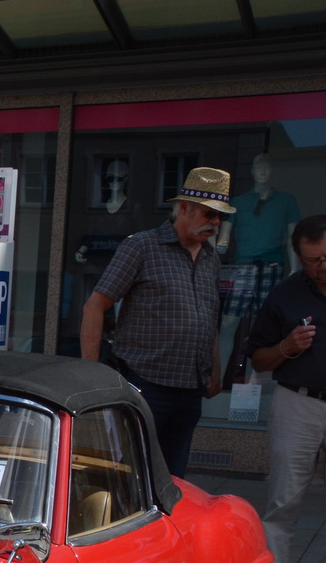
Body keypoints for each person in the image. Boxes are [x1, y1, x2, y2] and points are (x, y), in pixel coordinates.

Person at [80, 166, 233, 479]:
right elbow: (95, 306)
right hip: (146, 384)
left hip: (190, 389)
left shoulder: (210, 259)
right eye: (208, 213)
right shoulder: (142, 246)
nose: (215, 223)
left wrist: (215, 369)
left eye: (220, 216)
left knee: (174, 479)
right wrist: (91, 374)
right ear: (184, 208)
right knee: (130, 474)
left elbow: (208, 316)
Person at [247, 214, 326, 563]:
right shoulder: (283, 296)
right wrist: (287, 347)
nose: (324, 265)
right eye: (313, 260)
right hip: (297, 403)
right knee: (283, 501)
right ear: (299, 257)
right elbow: (258, 357)